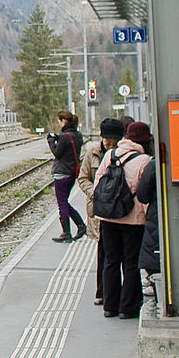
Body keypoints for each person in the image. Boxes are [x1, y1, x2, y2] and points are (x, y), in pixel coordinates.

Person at [94, 122, 154, 319]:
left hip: (108, 218)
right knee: (130, 263)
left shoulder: (110, 155)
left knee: (111, 261)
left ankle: (110, 306)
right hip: (133, 221)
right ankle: (127, 308)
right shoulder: (144, 160)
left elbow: (98, 183)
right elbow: (144, 193)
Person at [77, 117, 124, 305]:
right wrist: (96, 192)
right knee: (104, 253)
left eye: (114, 141)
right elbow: (82, 178)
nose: (110, 144)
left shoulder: (125, 154)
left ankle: (122, 294)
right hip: (99, 210)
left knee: (122, 254)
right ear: (102, 138)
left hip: (121, 210)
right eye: (107, 141)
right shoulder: (93, 153)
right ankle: (102, 292)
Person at [127, 121, 160, 303]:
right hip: (140, 220)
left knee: (116, 260)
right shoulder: (148, 160)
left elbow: (143, 195)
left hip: (146, 218)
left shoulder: (151, 164)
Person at [45, 110, 87, 242]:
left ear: (64, 121)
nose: (58, 123)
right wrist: (58, 138)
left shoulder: (65, 136)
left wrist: (51, 141)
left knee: (62, 203)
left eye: (59, 120)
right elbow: (70, 144)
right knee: (64, 201)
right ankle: (80, 226)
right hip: (72, 173)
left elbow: (57, 153)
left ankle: (66, 233)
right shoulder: (77, 135)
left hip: (61, 173)